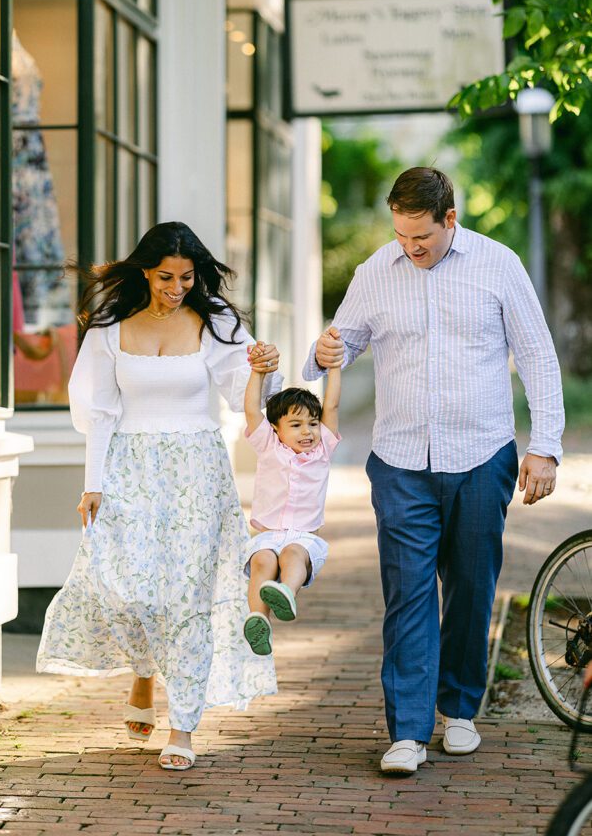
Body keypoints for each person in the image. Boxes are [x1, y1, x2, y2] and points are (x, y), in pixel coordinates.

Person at [304, 167, 564, 774]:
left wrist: (545, 447)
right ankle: (408, 732)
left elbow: (538, 357)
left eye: (420, 237)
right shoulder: (375, 273)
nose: (410, 248)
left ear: (451, 219)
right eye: (400, 236)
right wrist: (320, 355)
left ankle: (460, 710)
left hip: (481, 455)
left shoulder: (499, 266)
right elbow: (338, 346)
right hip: (398, 460)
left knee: (472, 588)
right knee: (408, 592)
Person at [37, 222, 282, 771]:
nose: (177, 287)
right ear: (146, 270)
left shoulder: (215, 321)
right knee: (126, 589)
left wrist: (264, 368)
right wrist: (92, 483)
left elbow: (249, 396)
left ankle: (184, 726)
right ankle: (144, 671)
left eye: (187, 277)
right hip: (129, 468)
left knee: (188, 601)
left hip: (197, 470)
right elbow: (101, 411)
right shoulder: (110, 327)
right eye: (167, 276)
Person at [242, 343, 342, 656]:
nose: (307, 431)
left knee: (291, 556)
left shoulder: (323, 448)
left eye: (312, 423)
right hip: (268, 534)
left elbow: (333, 406)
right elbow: (250, 410)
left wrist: (335, 368)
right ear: (276, 429)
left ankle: (286, 591)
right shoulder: (267, 445)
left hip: (303, 536)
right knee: (263, 560)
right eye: (296, 425)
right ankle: (258, 619)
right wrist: (258, 372)